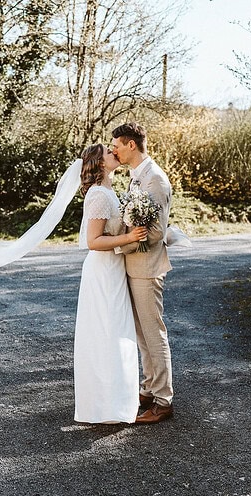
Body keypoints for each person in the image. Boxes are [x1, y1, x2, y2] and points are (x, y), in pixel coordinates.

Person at [74, 144, 148, 424]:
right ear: (100, 163)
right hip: (103, 272)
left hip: (113, 270)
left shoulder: (108, 192)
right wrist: (129, 238)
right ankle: (105, 406)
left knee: (114, 332)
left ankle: (115, 401)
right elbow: (94, 242)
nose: (114, 153)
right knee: (106, 334)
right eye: (108, 152)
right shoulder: (99, 195)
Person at [111, 122, 175, 424]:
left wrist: (120, 244)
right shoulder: (137, 178)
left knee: (154, 333)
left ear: (131, 145)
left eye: (117, 145)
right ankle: (149, 388)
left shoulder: (155, 180)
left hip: (147, 267)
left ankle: (163, 401)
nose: (114, 150)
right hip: (134, 266)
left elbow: (155, 232)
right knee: (142, 335)